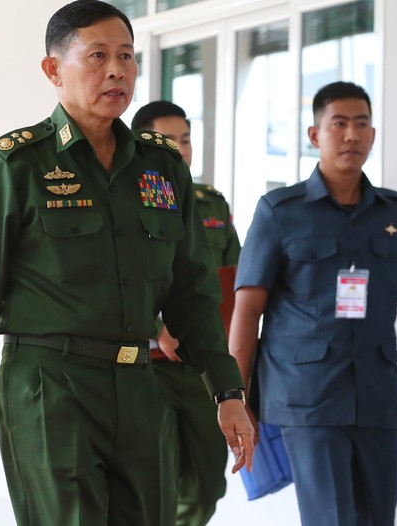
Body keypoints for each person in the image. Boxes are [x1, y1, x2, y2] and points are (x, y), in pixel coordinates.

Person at [0, 0, 255, 526]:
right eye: (97, 56)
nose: (116, 70)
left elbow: (194, 294)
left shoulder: (162, 167)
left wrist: (227, 390)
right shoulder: (15, 166)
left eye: (126, 56)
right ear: (53, 70)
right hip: (51, 386)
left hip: (140, 385)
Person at [229, 81, 397, 526]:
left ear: (372, 134)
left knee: (378, 518)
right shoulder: (279, 211)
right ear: (315, 135)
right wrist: (234, 397)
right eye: (339, 124)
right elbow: (247, 309)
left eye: (362, 124)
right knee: (331, 519)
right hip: (307, 398)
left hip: (376, 395)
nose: (352, 135)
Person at [130, 100, 241, 526]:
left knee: (207, 484)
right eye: (168, 140)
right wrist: (160, 328)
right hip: (145, 367)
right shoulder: (123, 199)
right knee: (153, 483)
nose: (180, 149)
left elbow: (229, 284)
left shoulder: (209, 204)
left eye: (186, 139)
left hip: (199, 368)